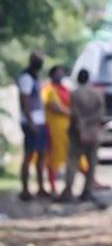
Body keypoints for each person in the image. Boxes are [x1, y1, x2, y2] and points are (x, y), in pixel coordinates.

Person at [61, 68, 105, 204]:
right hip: (93, 133)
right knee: (92, 163)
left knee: (73, 162)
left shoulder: (75, 94)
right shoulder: (97, 93)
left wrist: (81, 127)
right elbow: (101, 114)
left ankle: (69, 190)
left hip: (77, 133)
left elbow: (74, 113)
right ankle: (87, 191)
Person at [17, 51, 49, 200]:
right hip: (32, 122)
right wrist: (30, 121)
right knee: (29, 155)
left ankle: (41, 187)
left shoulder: (35, 77)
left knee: (41, 155)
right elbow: (24, 100)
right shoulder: (26, 77)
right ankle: (25, 189)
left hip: (40, 120)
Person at [41, 65, 72, 195]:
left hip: (68, 128)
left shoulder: (65, 89)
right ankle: (53, 186)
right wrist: (71, 113)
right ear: (52, 74)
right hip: (54, 129)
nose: (60, 75)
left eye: (62, 73)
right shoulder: (48, 90)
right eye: (57, 73)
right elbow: (55, 107)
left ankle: (91, 181)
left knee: (75, 156)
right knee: (54, 158)